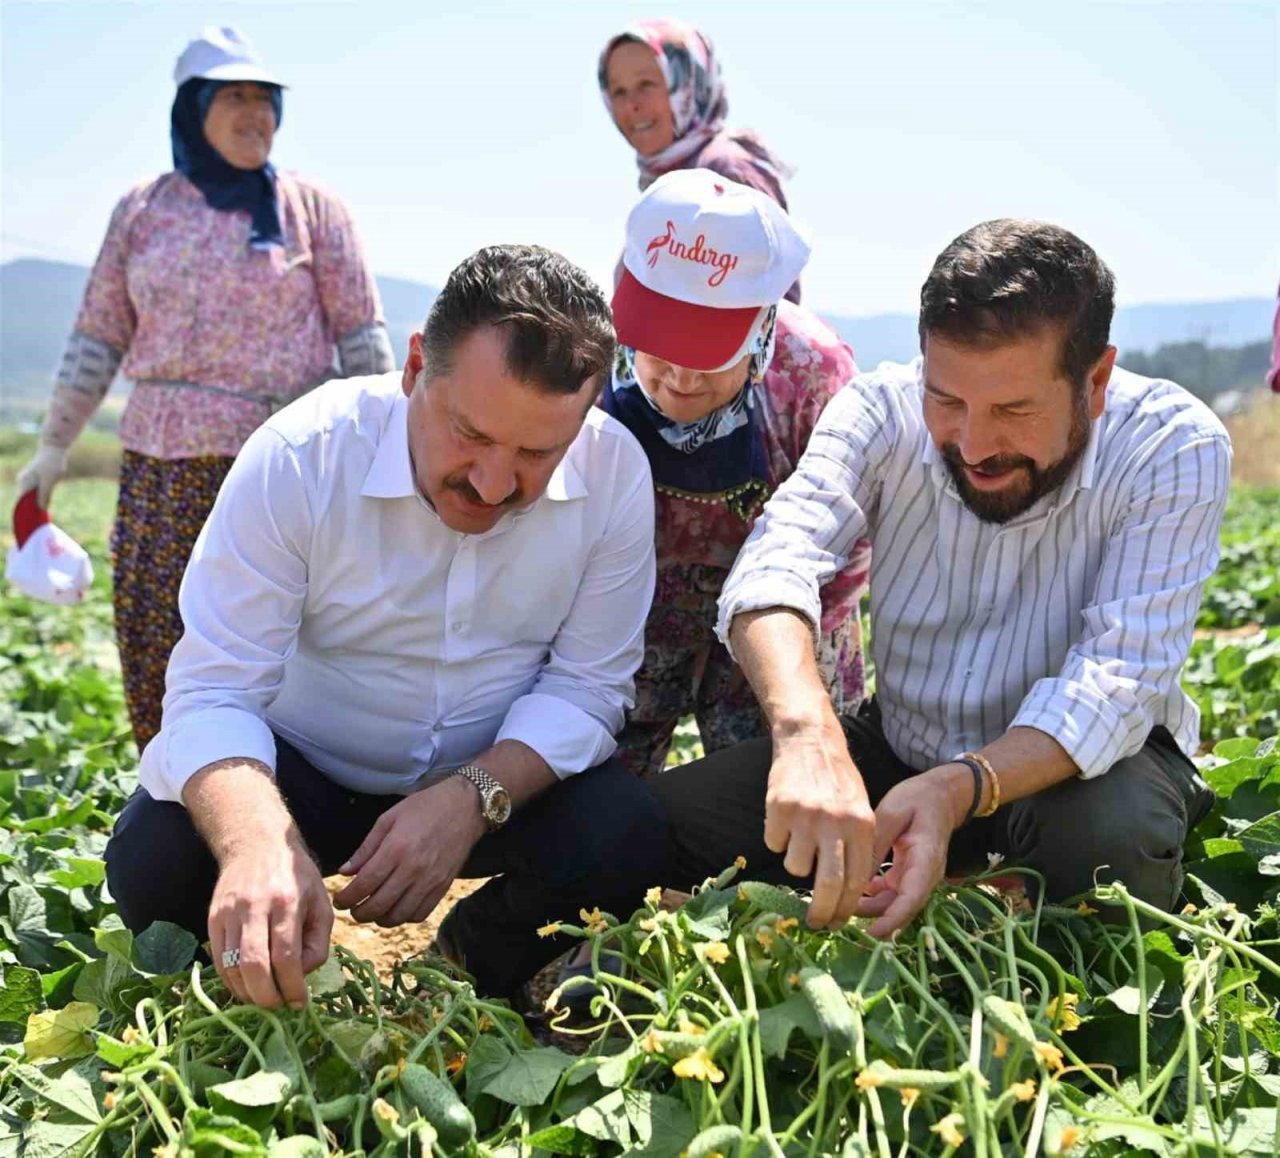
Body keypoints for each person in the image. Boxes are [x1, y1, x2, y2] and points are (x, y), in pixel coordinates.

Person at [102, 245, 670, 1009]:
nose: (494, 483)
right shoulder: (301, 457)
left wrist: (470, 798)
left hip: (491, 777)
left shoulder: (615, 475)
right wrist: (257, 842)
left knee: (625, 833)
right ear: (413, 371)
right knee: (153, 860)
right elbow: (213, 690)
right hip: (306, 770)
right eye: (470, 434)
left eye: (538, 453)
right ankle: (250, 988)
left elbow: (587, 688)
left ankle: (473, 963)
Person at [651, 219, 1230, 937]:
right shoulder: (878, 410)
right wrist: (808, 737)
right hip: (901, 750)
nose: (975, 444)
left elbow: (1115, 683)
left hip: (1078, 774)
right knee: (651, 826)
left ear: (1097, 379)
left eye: (1014, 410)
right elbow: (778, 557)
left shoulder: (1172, 444)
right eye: (947, 401)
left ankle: (1058, 991)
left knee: (1108, 836)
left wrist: (961, 789)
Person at [14, 26, 394, 751]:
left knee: (286, 649)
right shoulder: (143, 211)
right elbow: (97, 336)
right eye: (237, 98)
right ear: (194, 109)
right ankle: (175, 801)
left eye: (267, 99)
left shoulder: (313, 213)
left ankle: (285, 811)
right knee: (160, 634)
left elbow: (362, 342)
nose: (257, 114)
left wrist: (382, 455)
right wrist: (54, 446)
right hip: (164, 470)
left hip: (285, 468)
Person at [602, 169, 870, 775]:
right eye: (659, 349)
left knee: (765, 795)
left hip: (779, 622)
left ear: (760, 330)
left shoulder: (811, 378)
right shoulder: (587, 365)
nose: (680, 380)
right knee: (601, 792)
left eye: (707, 357)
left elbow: (852, 535)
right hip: (624, 616)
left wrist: (782, 653)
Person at [598, 19, 801, 302]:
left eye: (646, 84)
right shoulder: (667, 183)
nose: (631, 104)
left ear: (689, 83)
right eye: (618, 91)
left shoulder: (725, 172)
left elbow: (772, 311)